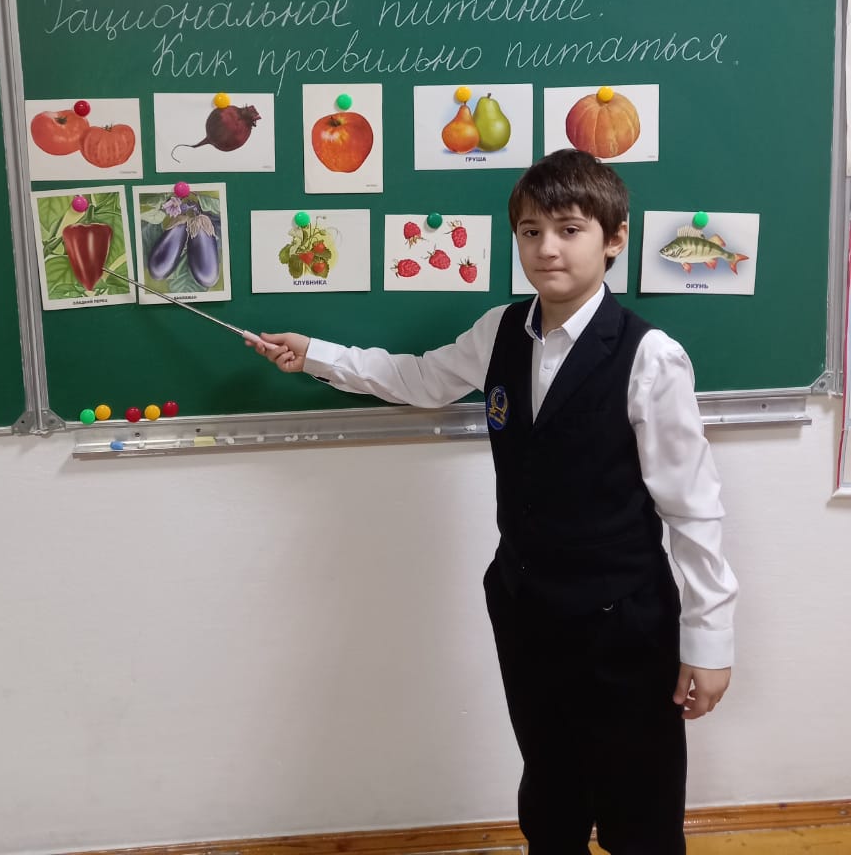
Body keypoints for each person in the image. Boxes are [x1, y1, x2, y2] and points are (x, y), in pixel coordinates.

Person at [249, 148, 737, 855]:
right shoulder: (501, 329)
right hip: (525, 603)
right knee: (550, 790)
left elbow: (692, 509)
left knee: (640, 805)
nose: (547, 248)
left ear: (614, 238)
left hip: (623, 622)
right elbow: (418, 379)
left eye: (570, 229)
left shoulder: (650, 356)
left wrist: (709, 641)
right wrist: (318, 354)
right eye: (531, 231)